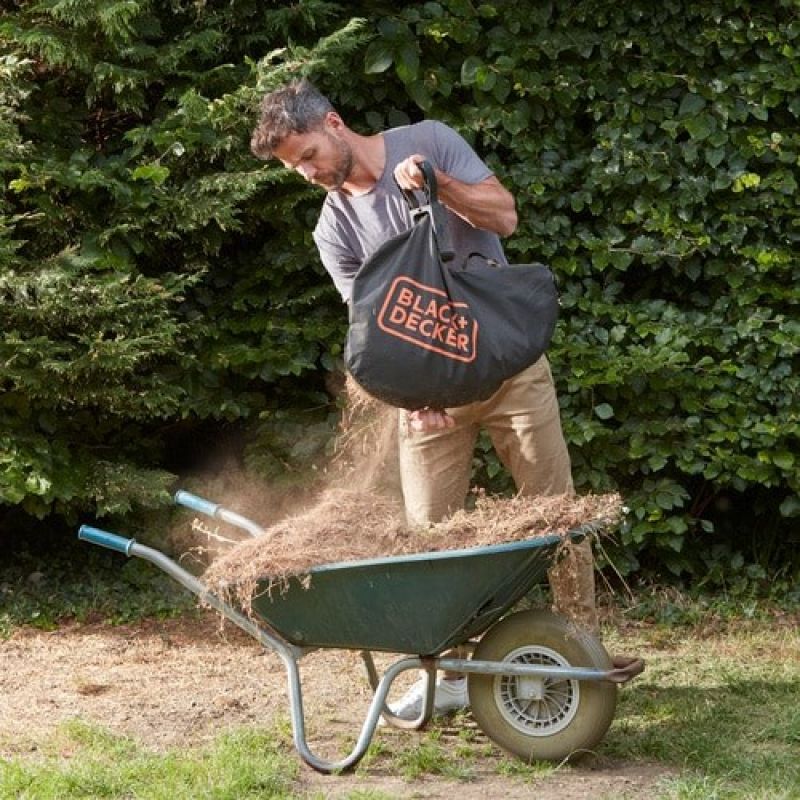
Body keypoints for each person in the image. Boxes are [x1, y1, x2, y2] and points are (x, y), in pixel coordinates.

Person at [250, 78, 599, 719]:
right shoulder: (334, 230)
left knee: (557, 516)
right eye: (293, 168)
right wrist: (412, 397)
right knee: (430, 542)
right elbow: (376, 332)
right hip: (431, 403)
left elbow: (505, 216)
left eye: (308, 156)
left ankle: (583, 657)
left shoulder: (430, 141)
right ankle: (451, 673)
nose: (306, 174)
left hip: (510, 368)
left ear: (334, 123)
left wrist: (441, 186)